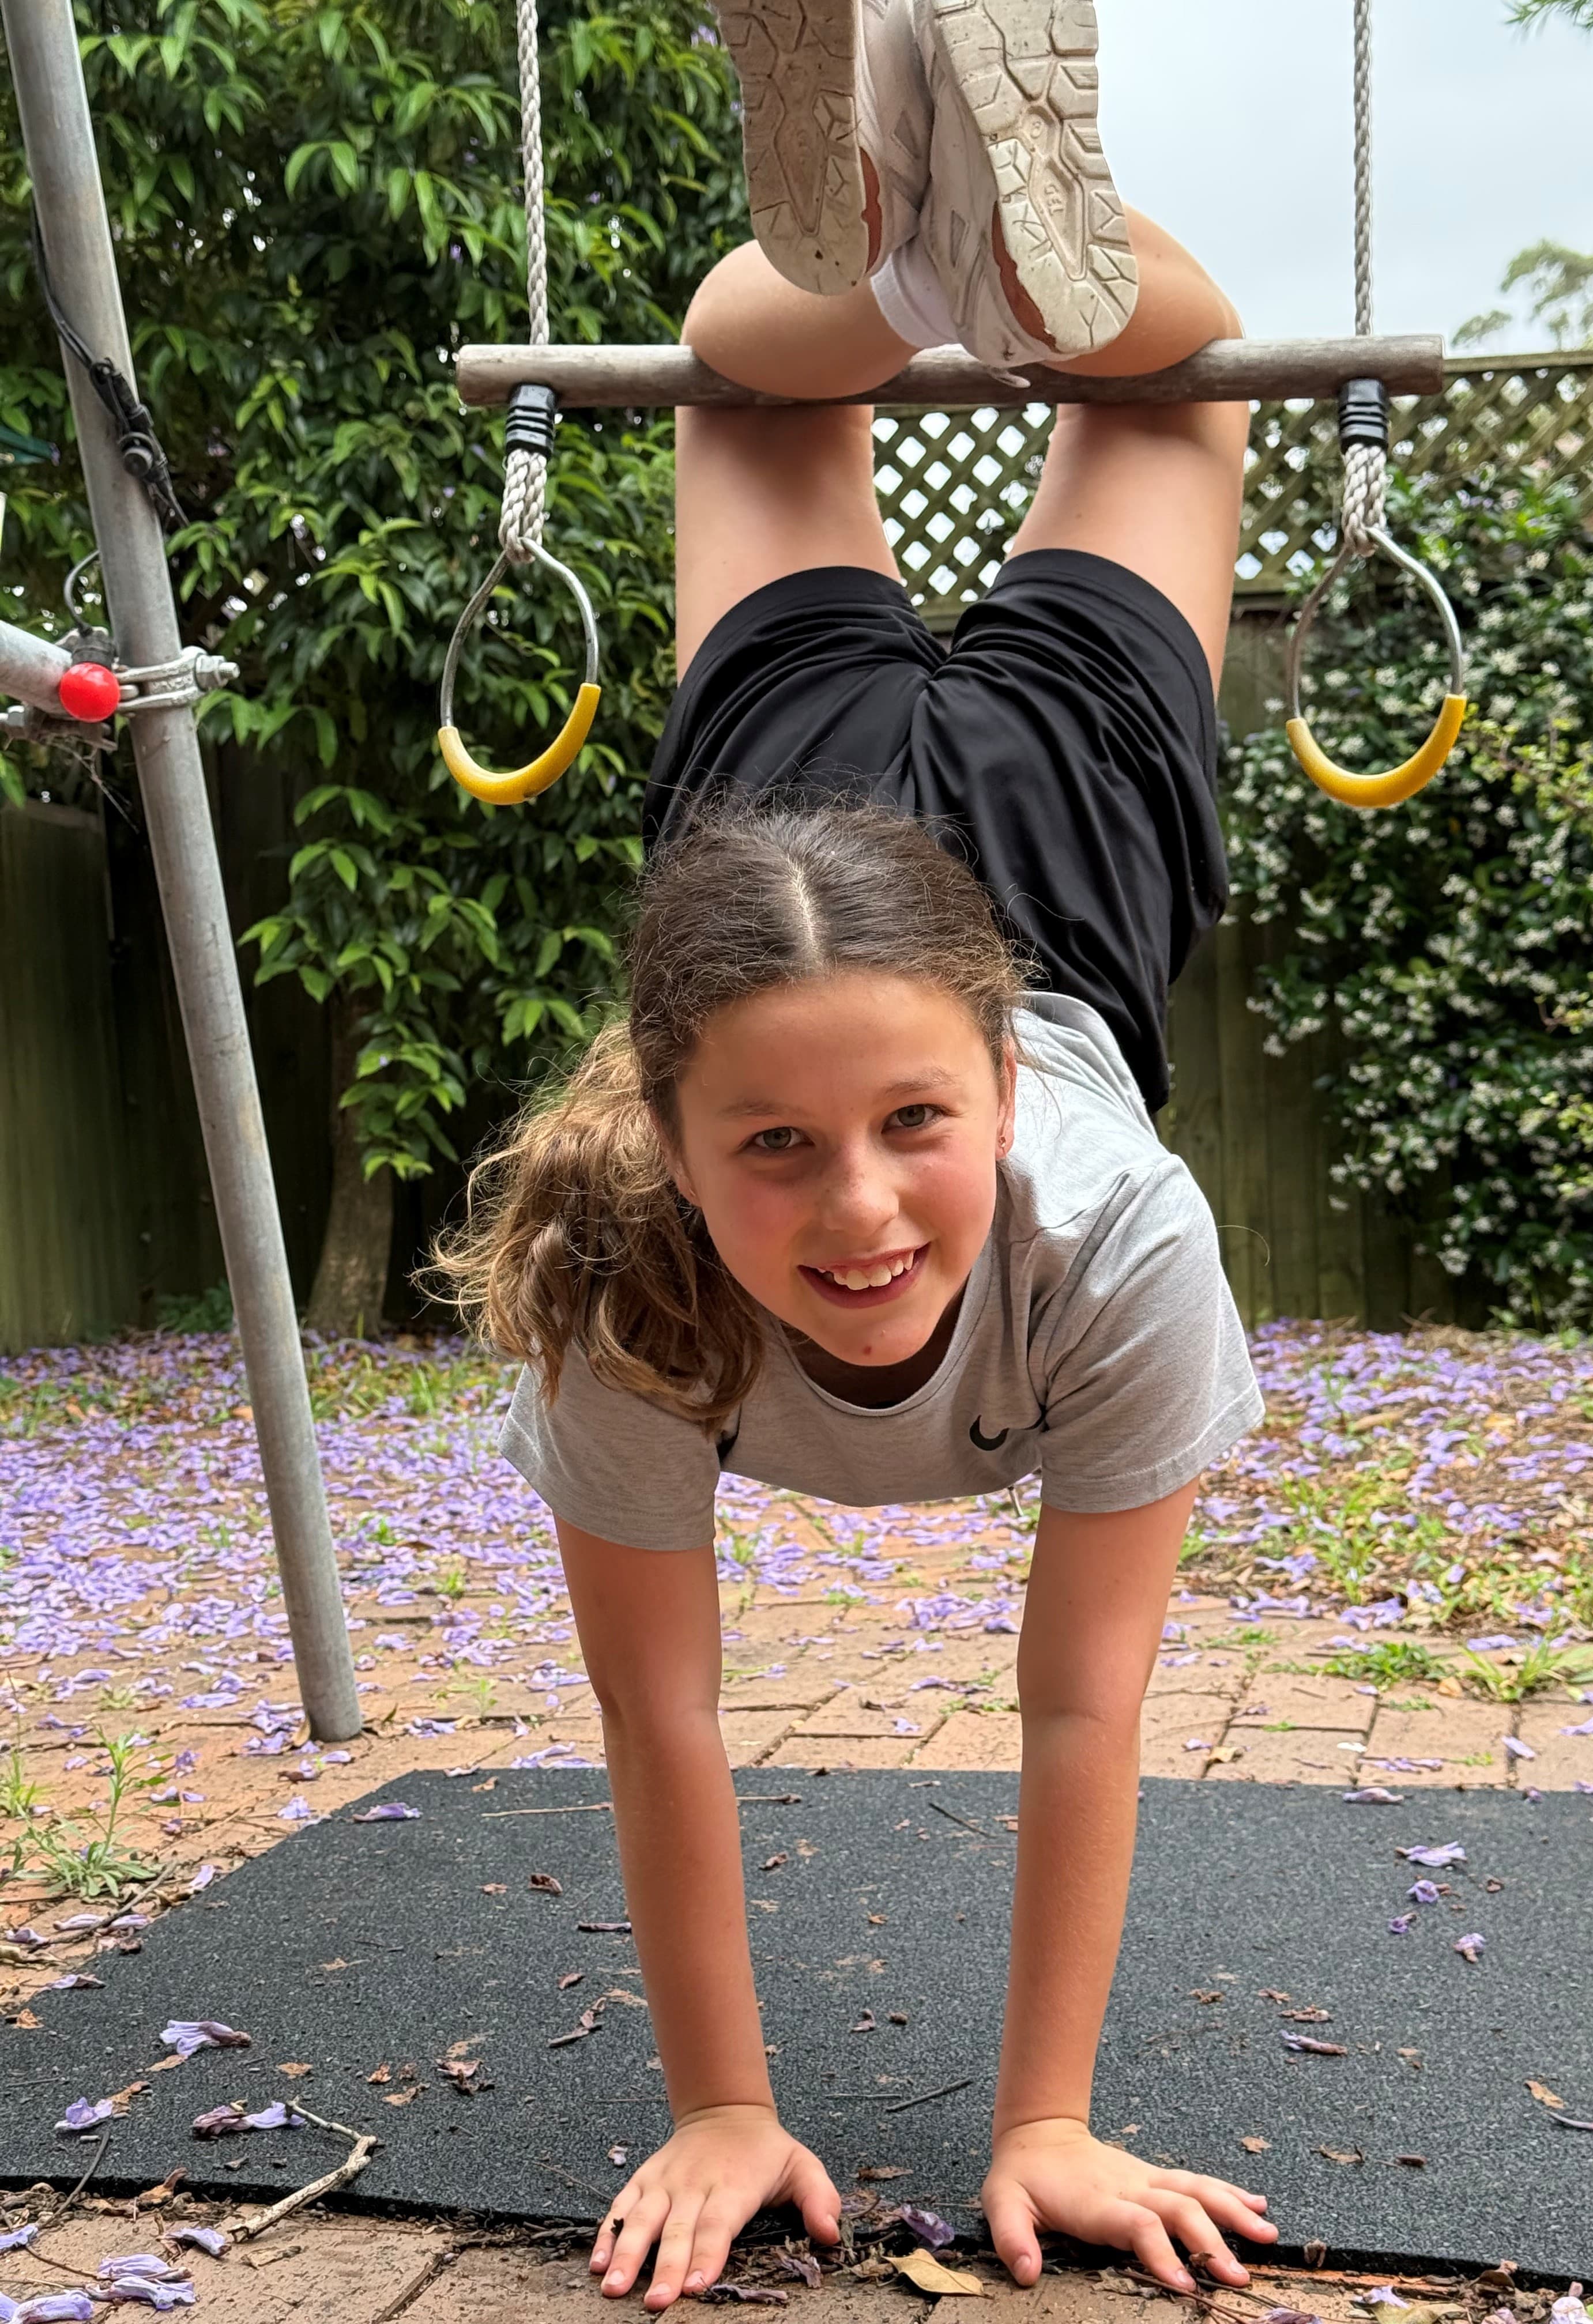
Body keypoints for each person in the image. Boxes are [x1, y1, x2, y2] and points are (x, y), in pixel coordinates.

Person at [437, 0, 1276, 2306]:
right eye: (779, 1156)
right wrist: (717, 2094)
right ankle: (954, 240)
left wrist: (1049, 2126)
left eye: (914, 1135)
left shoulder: (1111, 1240)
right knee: (1155, 383)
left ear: (1004, 1101)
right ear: (677, 1144)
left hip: (809, 856)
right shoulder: (628, 1276)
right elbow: (662, 1706)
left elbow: (1078, 1700)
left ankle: (898, 235)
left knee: (767, 365)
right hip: (954, 864)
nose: (867, 1204)